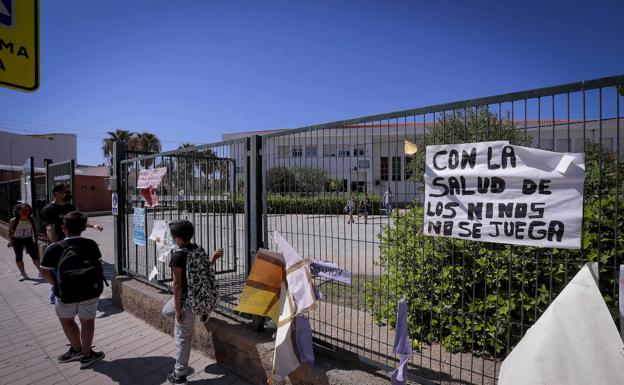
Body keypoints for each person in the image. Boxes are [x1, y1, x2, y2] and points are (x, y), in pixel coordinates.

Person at [40, 211, 106, 369]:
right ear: (84, 228)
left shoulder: (53, 248)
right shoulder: (90, 244)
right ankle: (87, 354)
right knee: (88, 322)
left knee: (67, 321)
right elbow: (99, 265)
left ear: (63, 228)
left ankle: (76, 349)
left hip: (65, 293)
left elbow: (45, 272)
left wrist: (56, 286)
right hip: (90, 291)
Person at [162, 220, 223, 384]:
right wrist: (212, 259)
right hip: (200, 297)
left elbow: (177, 285)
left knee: (182, 337)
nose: (173, 240)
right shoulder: (198, 249)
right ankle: (203, 313)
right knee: (165, 311)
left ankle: (179, 375)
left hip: (187, 301)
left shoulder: (178, 256)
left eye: (173, 237)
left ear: (179, 240)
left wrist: (178, 310)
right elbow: (203, 272)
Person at [40, 184, 103, 304]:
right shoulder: (48, 209)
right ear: (56, 193)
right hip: (60, 247)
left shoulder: (70, 207)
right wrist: (57, 246)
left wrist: (93, 225)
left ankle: (72, 295)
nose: (67, 194)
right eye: (65, 192)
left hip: (74, 246)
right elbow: (49, 229)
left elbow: (79, 218)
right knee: (59, 274)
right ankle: (58, 297)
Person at [7, 203, 41, 281]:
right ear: (18, 211)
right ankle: (23, 274)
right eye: (23, 210)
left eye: (27, 209)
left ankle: (41, 271)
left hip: (28, 239)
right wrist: (10, 241)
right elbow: (10, 232)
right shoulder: (14, 220)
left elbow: (36, 230)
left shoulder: (32, 219)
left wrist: (36, 239)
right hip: (17, 240)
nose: (26, 211)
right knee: (19, 256)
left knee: (35, 256)